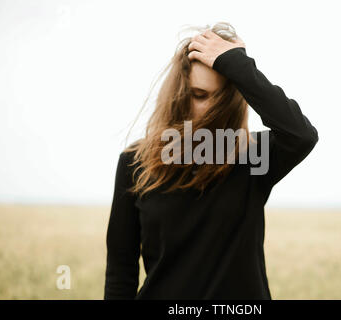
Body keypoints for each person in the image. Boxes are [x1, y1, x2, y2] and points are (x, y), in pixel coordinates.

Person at [104, 22, 319, 300]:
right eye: (199, 95)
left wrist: (238, 65)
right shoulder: (136, 162)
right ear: (178, 95)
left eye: (222, 98)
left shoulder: (253, 155)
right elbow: (121, 270)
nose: (211, 110)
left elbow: (301, 135)